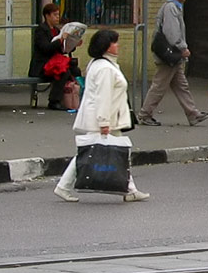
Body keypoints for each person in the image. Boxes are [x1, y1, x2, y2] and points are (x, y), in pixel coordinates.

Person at [54, 29, 149, 202]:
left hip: (104, 117)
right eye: (114, 42)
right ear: (106, 47)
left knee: (107, 152)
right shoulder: (105, 68)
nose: (117, 45)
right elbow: (103, 97)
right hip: (103, 118)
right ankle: (63, 186)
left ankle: (130, 190)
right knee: (94, 153)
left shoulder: (101, 64)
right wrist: (104, 122)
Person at [135, 0, 208, 127]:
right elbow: (171, 33)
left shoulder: (174, 8)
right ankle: (144, 114)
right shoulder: (170, 8)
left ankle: (193, 114)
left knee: (181, 86)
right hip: (169, 56)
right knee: (159, 86)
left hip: (172, 57)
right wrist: (182, 48)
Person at [29, 3, 69, 110]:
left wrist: (72, 44)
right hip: (42, 65)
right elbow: (45, 48)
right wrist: (60, 40)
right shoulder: (41, 30)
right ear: (47, 16)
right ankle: (54, 101)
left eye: (58, 15)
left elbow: (62, 49)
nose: (57, 17)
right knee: (63, 72)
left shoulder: (56, 30)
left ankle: (70, 100)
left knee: (74, 69)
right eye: (55, 15)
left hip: (54, 62)